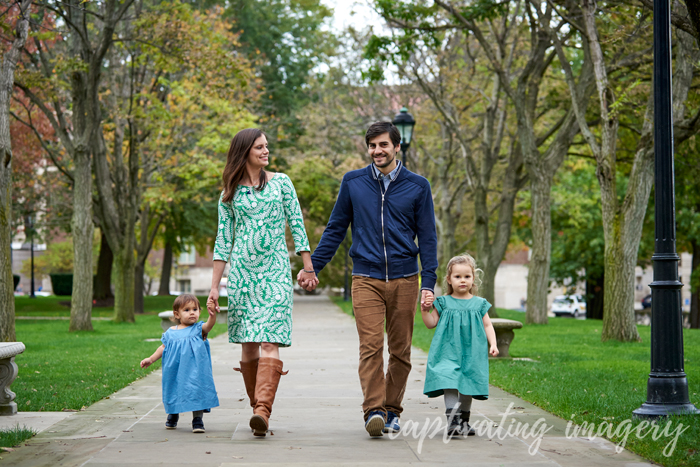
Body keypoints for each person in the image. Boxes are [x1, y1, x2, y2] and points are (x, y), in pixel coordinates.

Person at [300, 121, 438, 437]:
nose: (377, 151)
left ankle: (392, 410)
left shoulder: (418, 186)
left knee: (401, 351)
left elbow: (428, 238)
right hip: (365, 277)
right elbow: (335, 228)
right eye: (372, 146)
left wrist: (428, 283)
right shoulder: (353, 182)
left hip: (405, 278)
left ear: (397, 147)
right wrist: (314, 267)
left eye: (383, 145)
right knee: (371, 347)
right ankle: (373, 410)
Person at [207, 128, 316, 437]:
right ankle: (258, 409)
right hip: (242, 276)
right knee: (249, 344)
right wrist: (215, 287)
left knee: (270, 340)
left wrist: (308, 267)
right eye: (259, 147)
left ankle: (262, 410)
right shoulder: (229, 194)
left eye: (266, 146)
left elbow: (297, 223)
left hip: (276, 273)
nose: (266, 151)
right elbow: (222, 241)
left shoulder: (281, 183)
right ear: (245, 152)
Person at [420, 254, 499, 438]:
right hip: (447, 350)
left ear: (473, 278)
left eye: (467, 276)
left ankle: (464, 421)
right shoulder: (443, 303)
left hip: (472, 352)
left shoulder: (479, 304)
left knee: (467, 382)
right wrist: (424, 310)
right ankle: (453, 421)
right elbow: (431, 323)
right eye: (457, 277)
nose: (462, 280)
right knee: (449, 380)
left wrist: (493, 343)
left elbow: (488, 325)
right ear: (449, 279)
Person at [140, 294, 220, 433]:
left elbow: (209, 325)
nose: (192, 313)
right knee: (173, 389)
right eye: (187, 310)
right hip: (174, 369)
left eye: (195, 309)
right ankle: (173, 414)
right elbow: (163, 347)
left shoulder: (199, 329)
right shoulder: (170, 333)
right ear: (177, 314)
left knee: (196, 390)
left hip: (195, 369)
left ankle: (197, 420)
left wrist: (212, 314)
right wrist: (151, 359)